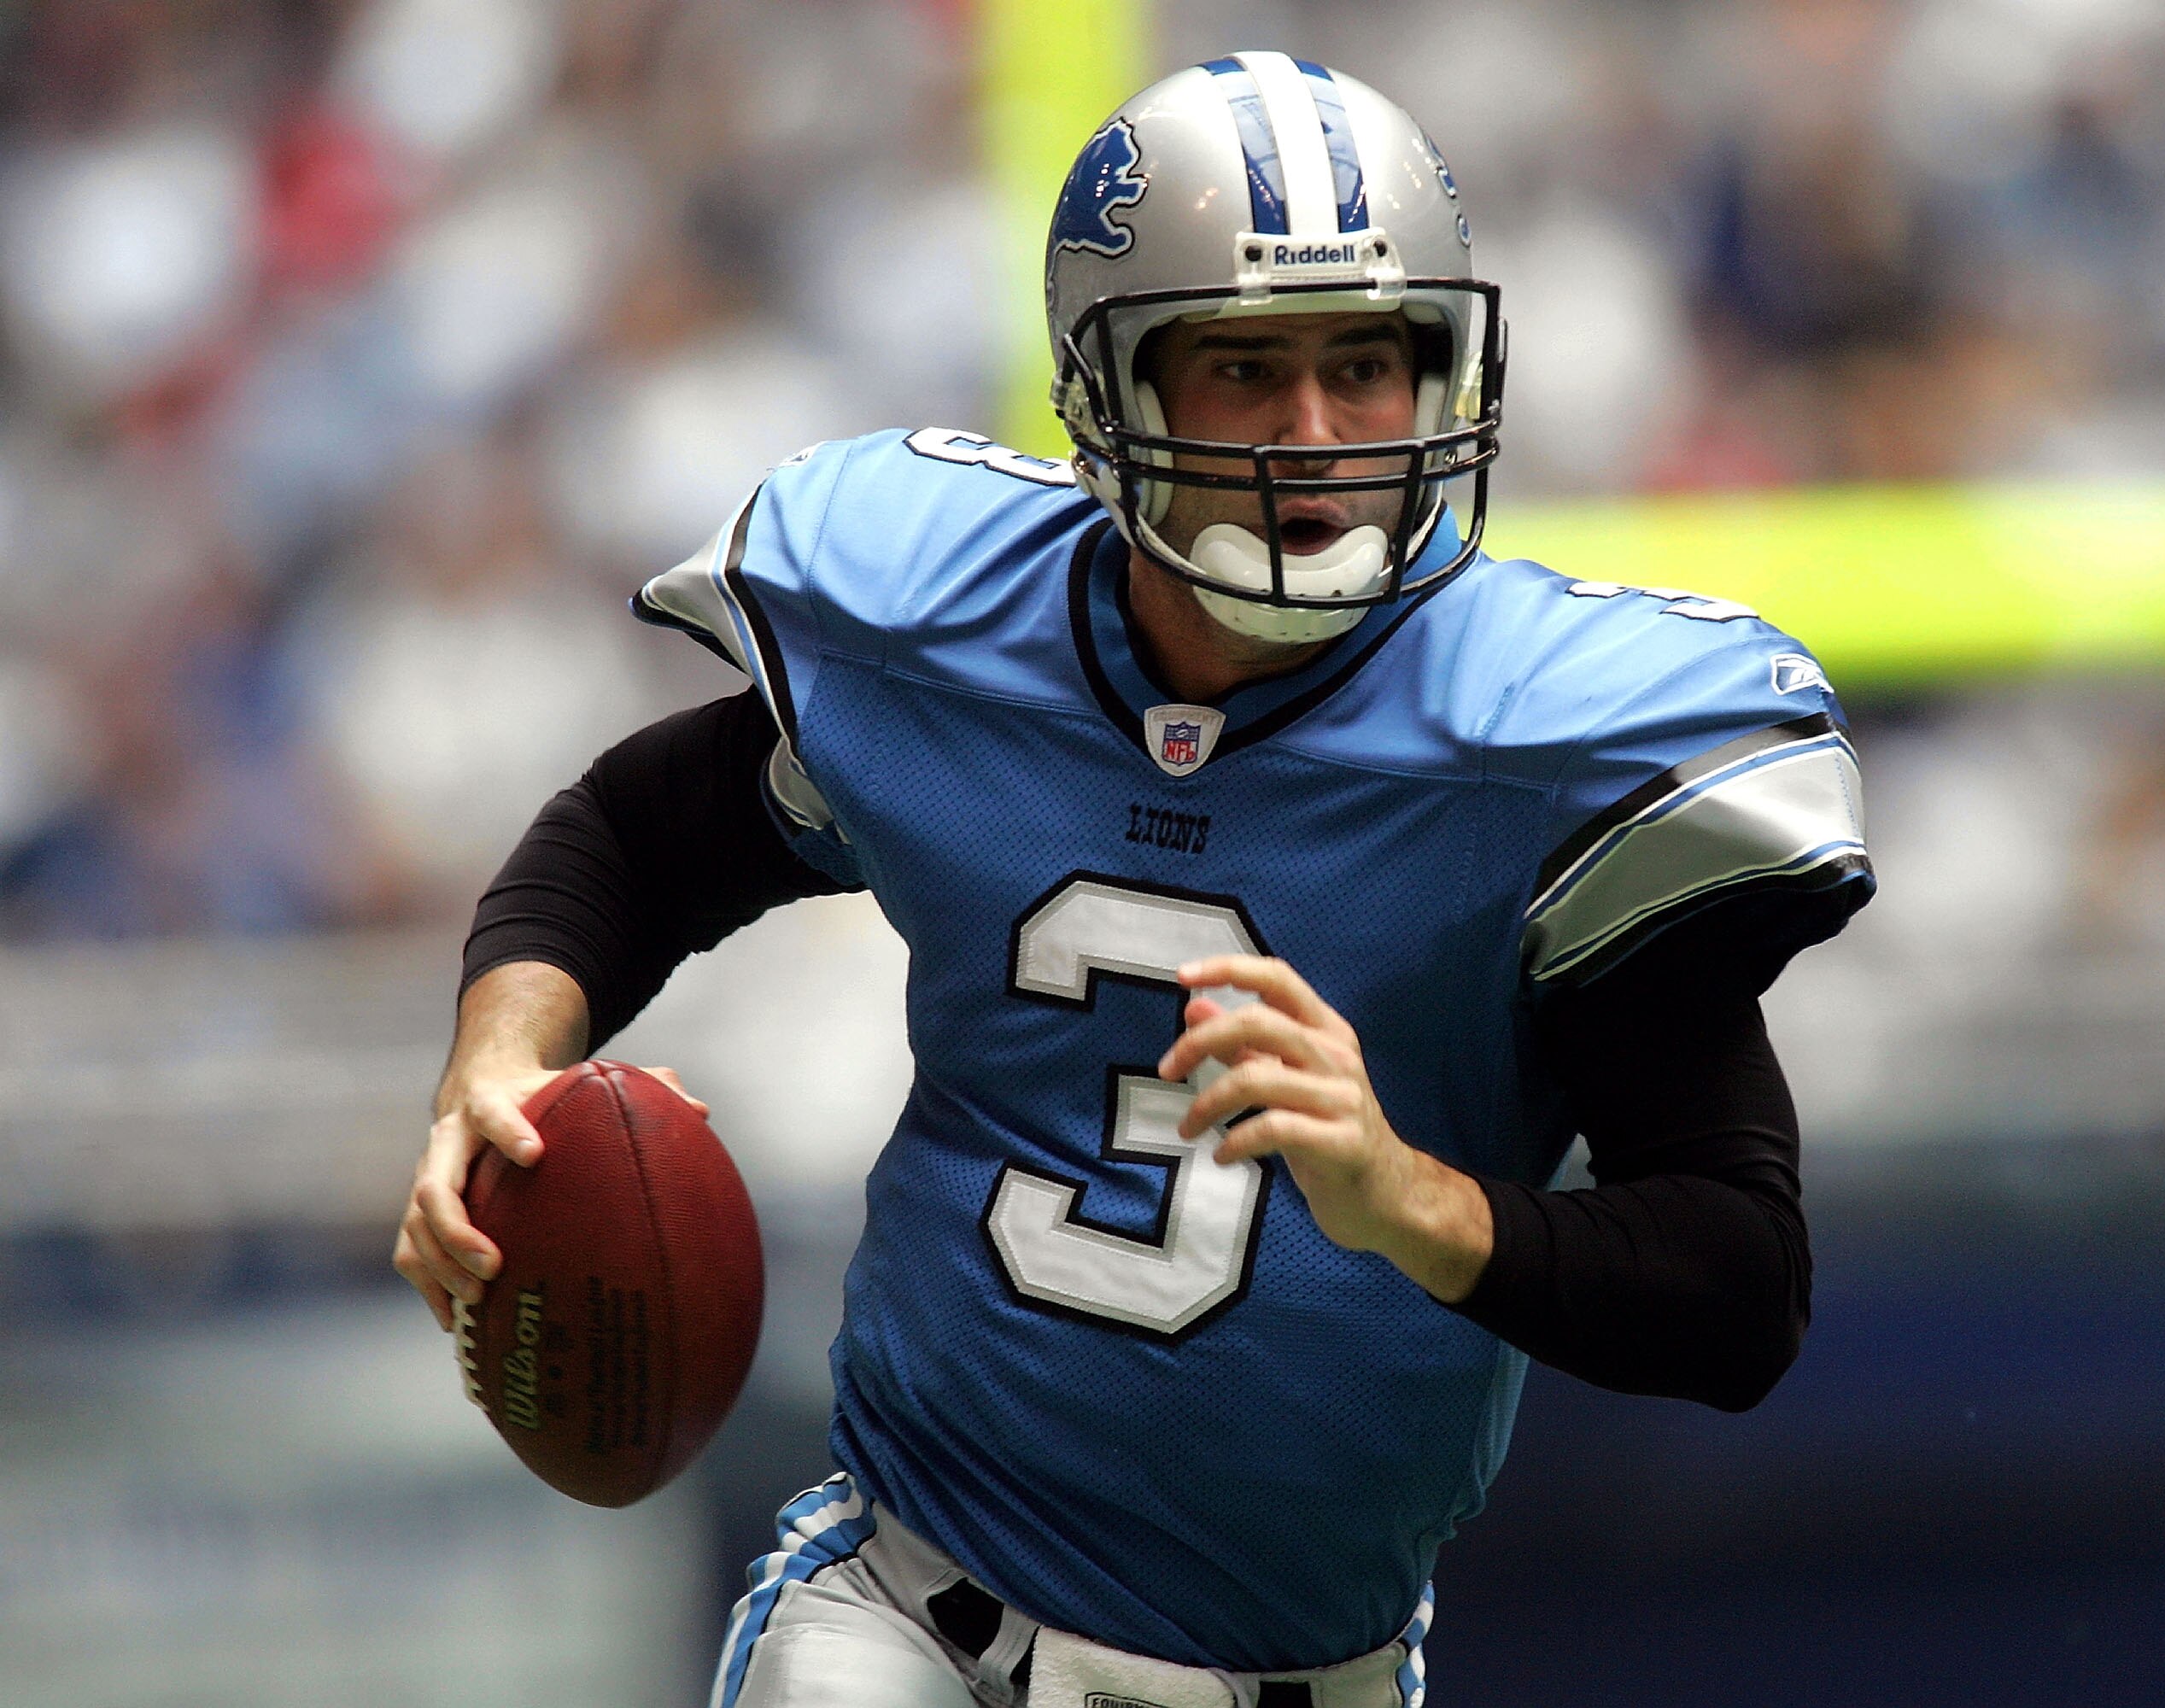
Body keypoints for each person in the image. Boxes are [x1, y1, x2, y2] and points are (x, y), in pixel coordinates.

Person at [394, 54, 1872, 1708]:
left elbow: (1739, 1285)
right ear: (1115, 386)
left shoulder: (1535, 753)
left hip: (1312, 1671)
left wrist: (1414, 1201)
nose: (1317, 434)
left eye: (1368, 363)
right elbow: (638, 832)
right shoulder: (953, 631)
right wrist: (501, 1049)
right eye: (1246, 367)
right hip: (906, 1621)